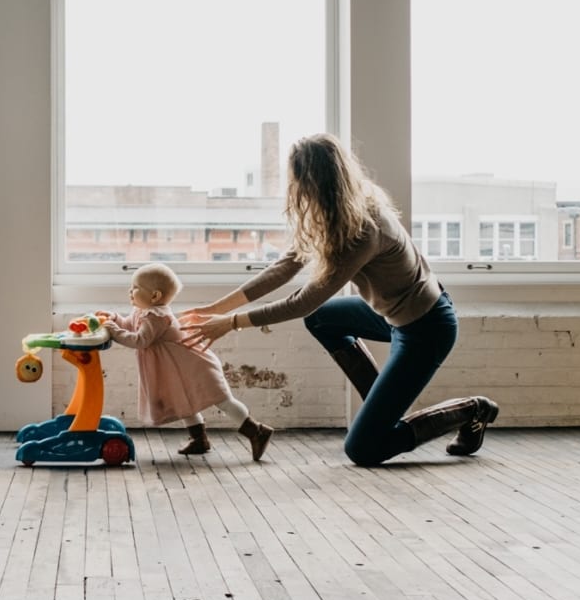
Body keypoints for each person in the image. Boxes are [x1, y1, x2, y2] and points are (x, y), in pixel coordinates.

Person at [181, 133, 498, 467]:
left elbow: (303, 301)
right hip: (390, 315)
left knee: (364, 450)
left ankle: (473, 410)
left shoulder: (363, 229)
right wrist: (218, 308)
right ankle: (380, 403)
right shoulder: (335, 214)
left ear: (312, 182)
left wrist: (232, 323)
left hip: (426, 328)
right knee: (322, 319)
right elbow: (285, 267)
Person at [97, 263, 274, 461]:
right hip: (178, 370)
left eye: (135, 287)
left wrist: (113, 330)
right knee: (183, 402)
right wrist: (113, 319)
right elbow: (129, 325)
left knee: (223, 401)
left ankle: (256, 431)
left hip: (195, 368)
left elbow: (139, 340)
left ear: (155, 296)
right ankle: (199, 440)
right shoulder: (143, 311)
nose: (130, 291)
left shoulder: (157, 316)